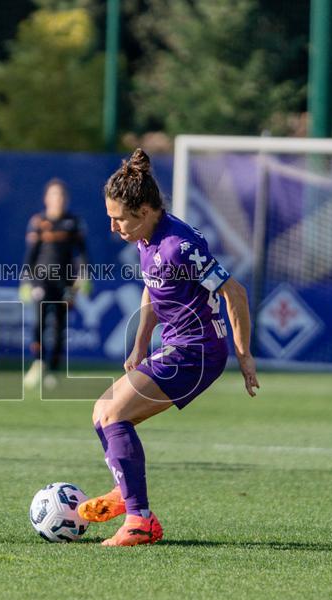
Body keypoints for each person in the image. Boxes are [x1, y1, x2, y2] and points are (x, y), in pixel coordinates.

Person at [77, 149, 259, 547]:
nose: (113, 227)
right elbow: (153, 287)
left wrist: (244, 355)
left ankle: (140, 521)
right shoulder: (147, 239)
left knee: (112, 415)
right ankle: (129, 499)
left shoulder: (179, 244)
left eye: (119, 218)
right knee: (102, 413)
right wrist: (141, 342)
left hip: (197, 353)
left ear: (144, 210)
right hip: (178, 347)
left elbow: (235, 292)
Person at [19, 179, 89, 391]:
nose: (57, 199)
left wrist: (84, 276)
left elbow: (83, 253)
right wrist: (25, 279)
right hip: (41, 278)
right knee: (39, 320)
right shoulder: (38, 221)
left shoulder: (74, 222)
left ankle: (54, 370)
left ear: (65, 199)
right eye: (54, 195)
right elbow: (31, 254)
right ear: (46, 198)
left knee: (59, 325)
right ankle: (38, 363)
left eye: (61, 195)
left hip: (66, 281)